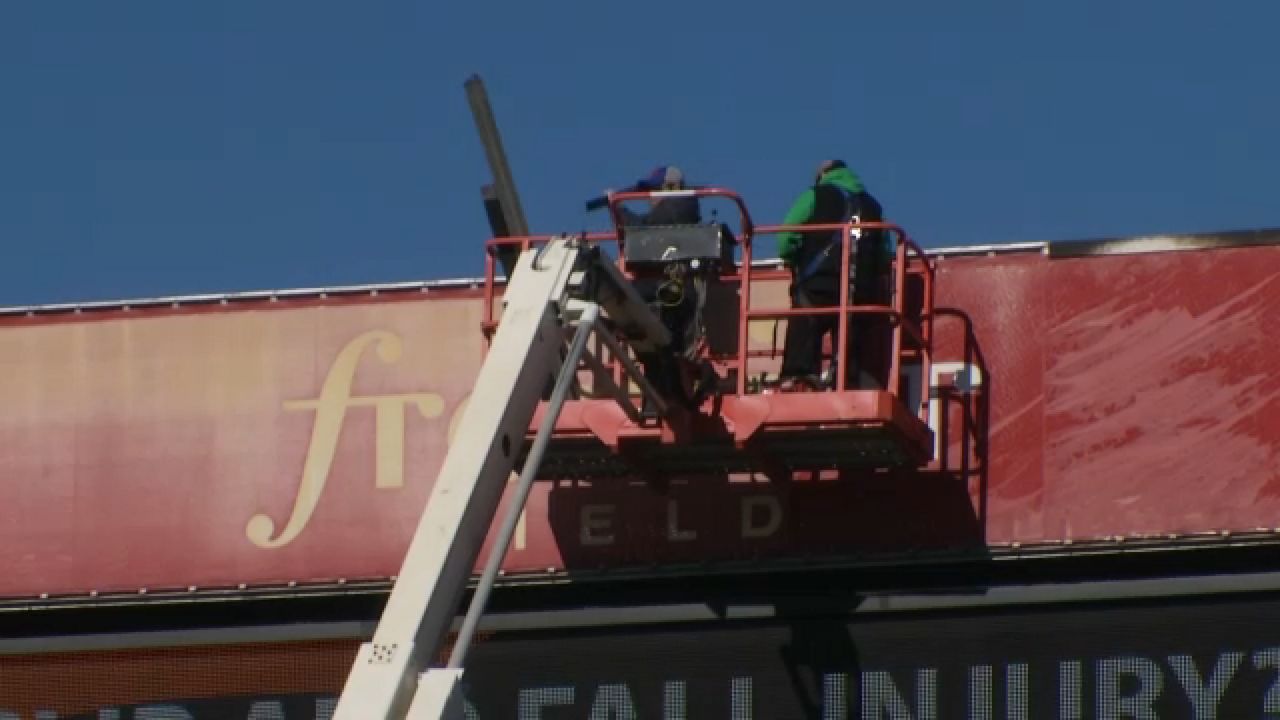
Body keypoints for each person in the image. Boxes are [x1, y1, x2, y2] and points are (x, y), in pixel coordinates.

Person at [775, 159, 891, 391]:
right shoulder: (874, 208)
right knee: (851, 339)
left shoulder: (815, 195)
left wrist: (793, 259)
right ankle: (848, 378)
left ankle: (798, 378)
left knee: (805, 327)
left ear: (823, 175)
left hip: (819, 284)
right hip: (860, 290)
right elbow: (886, 253)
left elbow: (785, 239)